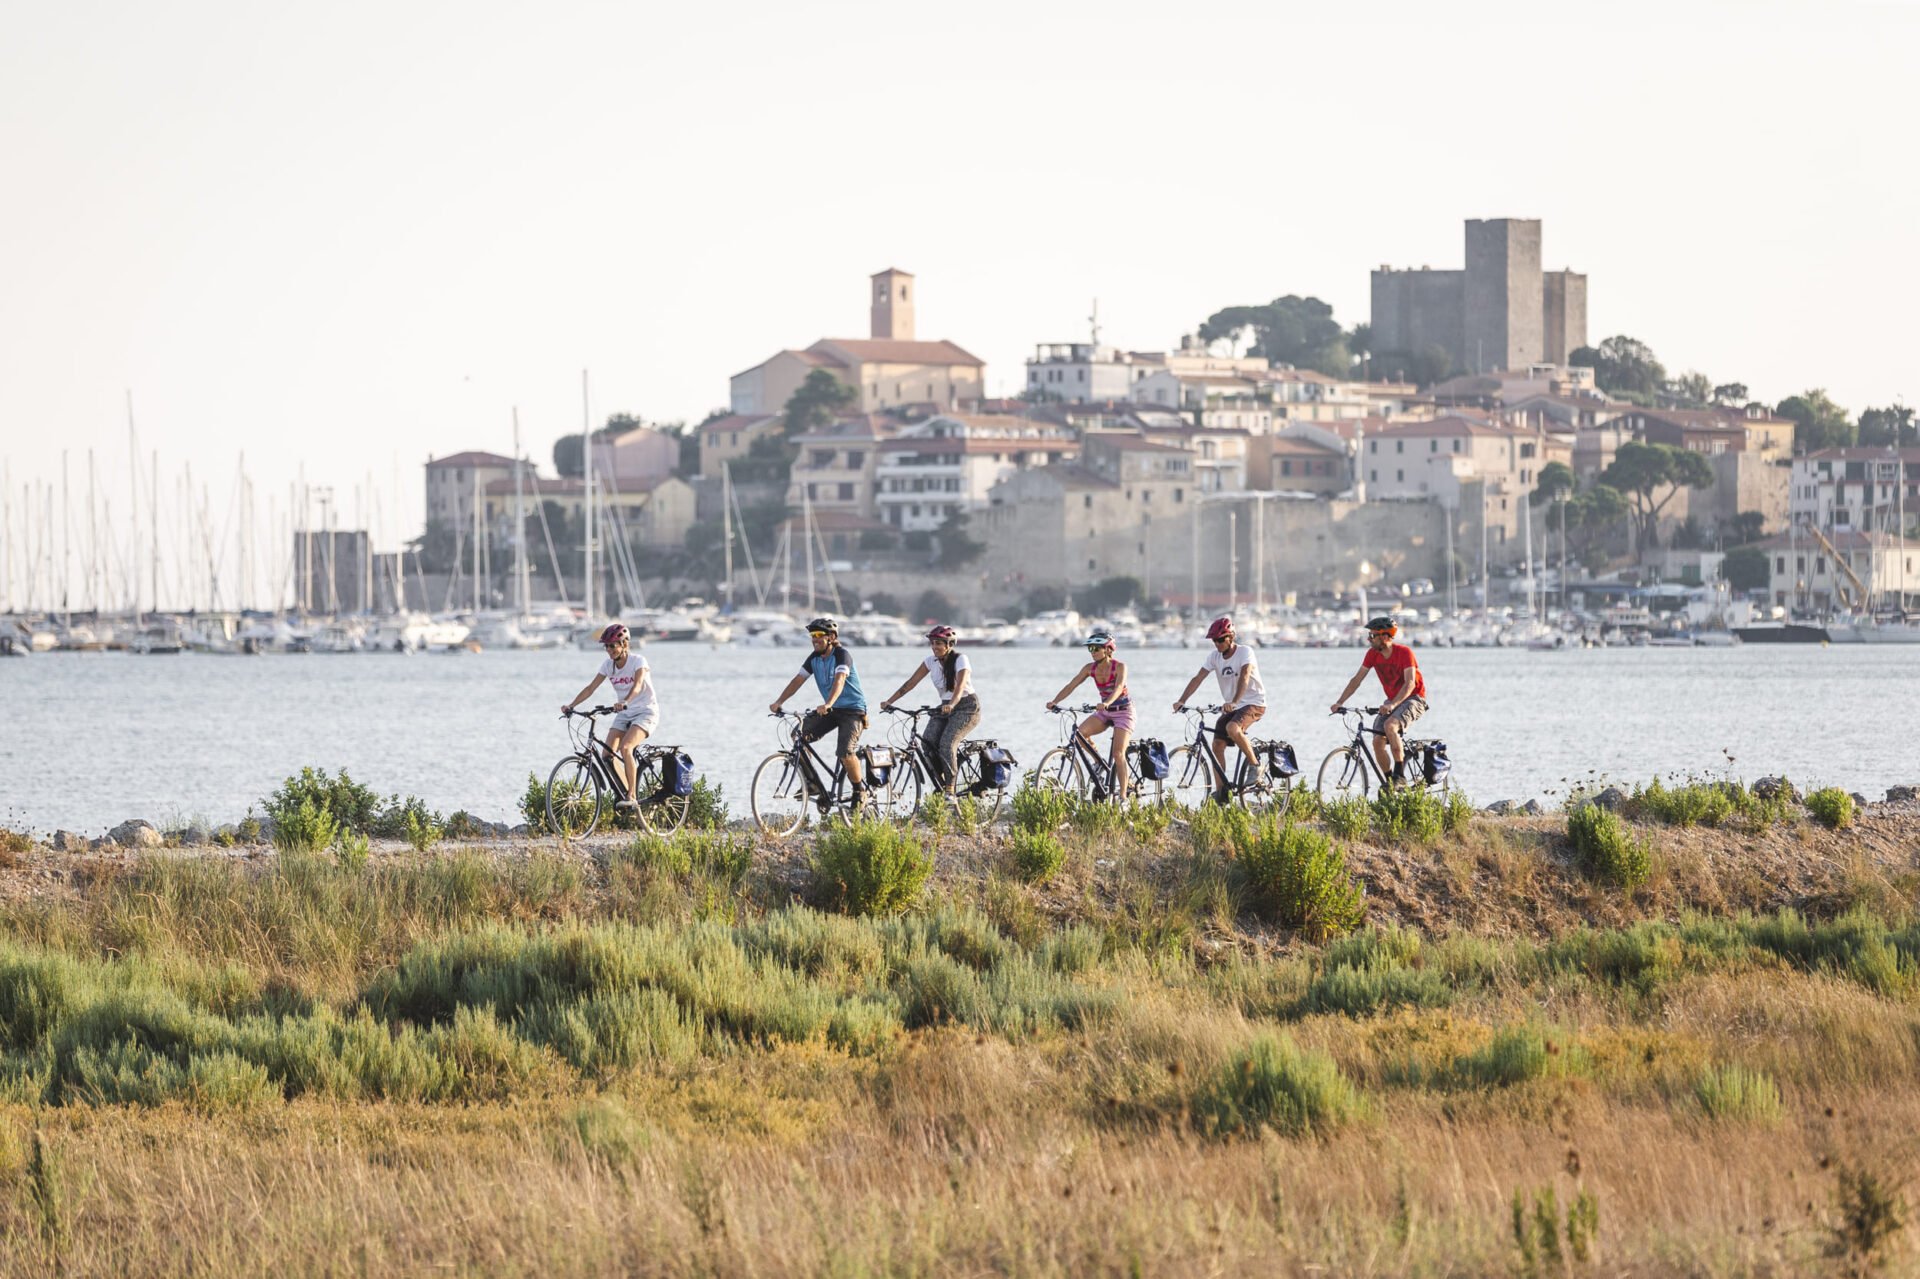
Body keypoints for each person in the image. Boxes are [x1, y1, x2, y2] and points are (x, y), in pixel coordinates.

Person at [769, 616, 869, 804]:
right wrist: (779, 701)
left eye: (819, 635)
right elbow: (797, 680)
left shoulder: (842, 655)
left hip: (853, 710)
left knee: (845, 752)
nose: (814, 639)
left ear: (831, 637)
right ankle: (812, 782)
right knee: (798, 736)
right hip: (832, 710)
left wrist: (829, 703)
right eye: (812, 635)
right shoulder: (814, 658)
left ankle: (859, 791)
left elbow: (839, 680)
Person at [561, 623, 658, 810]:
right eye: (606, 646)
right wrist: (571, 706)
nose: (609, 650)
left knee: (626, 748)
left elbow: (637, 686)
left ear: (625, 644)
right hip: (624, 713)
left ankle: (632, 795)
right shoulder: (608, 665)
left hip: (645, 711)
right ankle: (624, 791)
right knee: (606, 755)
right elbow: (590, 688)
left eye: (613, 645)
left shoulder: (639, 661)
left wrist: (626, 701)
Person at [1173, 615, 1267, 804]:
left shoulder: (1245, 652)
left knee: (1233, 729)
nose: (1217, 644)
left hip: (1253, 703)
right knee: (1217, 745)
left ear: (1231, 638)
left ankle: (1255, 765)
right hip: (1232, 706)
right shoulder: (1214, 657)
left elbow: (1245, 677)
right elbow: (1198, 678)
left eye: (1220, 640)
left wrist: (1234, 701)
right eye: (1214, 640)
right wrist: (1182, 700)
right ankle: (1222, 792)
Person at [879, 625, 979, 800]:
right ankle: (940, 781)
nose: (935, 647)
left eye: (939, 643)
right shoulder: (930, 662)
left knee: (947, 743)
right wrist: (889, 702)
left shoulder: (960, 659)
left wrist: (953, 704)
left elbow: (961, 685)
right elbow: (910, 683)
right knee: (927, 743)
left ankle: (950, 788)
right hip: (945, 706)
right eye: (932, 643)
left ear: (949, 644)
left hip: (966, 707)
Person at [1330, 616, 1428, 785]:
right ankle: (1390, 783)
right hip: (1392, 700)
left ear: (1384, 636)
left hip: (1414, 698)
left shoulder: (1405, 653)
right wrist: (1340, 702)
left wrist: (1392, 704)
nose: (1369, 639)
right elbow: (1357, 680)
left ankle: (1400, 775)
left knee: (1390, 726)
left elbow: (1410, 683)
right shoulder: (1372, 655)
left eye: (1372, 635)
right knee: (1377, 740)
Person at [1045, 631, 1133, 800]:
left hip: (1123, 712)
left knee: (1118, 753)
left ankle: (1123, 798)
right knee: (1080, 734)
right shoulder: (1089, 668)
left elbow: (1119, 687)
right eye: (1090, 649)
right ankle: (1099, 763)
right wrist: (1055, 701)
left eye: (1096, 648)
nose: (1092, 652)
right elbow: (1072, 685)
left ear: (1108, 649)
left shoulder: (1120, 667)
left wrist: (1107, 702)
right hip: (1104, 712)